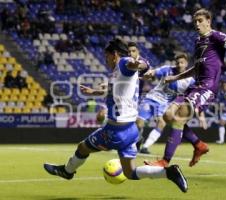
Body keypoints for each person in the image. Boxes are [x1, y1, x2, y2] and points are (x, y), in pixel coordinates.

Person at [43, 38, 188, 193]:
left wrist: (138, 64)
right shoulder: (118, 73)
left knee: (83, 147)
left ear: (114, 54)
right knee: (129, 172)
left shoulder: (123, 63)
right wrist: (94, 92)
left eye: (106, 57)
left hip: (115, 131)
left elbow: (138, 65)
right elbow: (118, 89)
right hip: (130, 130)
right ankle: (169, 172)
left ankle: (67, 171)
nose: (106, 61)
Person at [145, 8, 226, 167]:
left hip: (207, 88)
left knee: (178, 119)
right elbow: (197, 68)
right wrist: (176, 77)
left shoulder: (216, 36)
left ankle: (165, 161)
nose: (197, 24)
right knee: (168, 116)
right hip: (195, 86)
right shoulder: (198, 41)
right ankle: (198, 145)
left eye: (200, 21)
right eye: (195, 22)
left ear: (208, 21)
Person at [137, 53, 195, 154]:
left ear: (186, 64)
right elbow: (155, 72)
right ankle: (138, 140)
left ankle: (145, 147)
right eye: (178, 63)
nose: (179, 65)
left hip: (164, 104)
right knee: (139, 123)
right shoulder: (168, 69)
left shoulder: (190, 81)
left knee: (161, 123)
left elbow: (191, 94)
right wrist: (150, 73)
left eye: (182, 63)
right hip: (151, 98)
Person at [128, 41, 152, 150]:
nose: (131, 53)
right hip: (127, 96)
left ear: (138, 51)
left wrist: (136, 66)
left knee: (139, 123)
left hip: (141, 96)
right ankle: (134, 140)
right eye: (129, 52)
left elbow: (144, 65)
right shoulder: (125, 62)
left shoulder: (143, 61)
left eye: (133, 51)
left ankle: (138, 140)